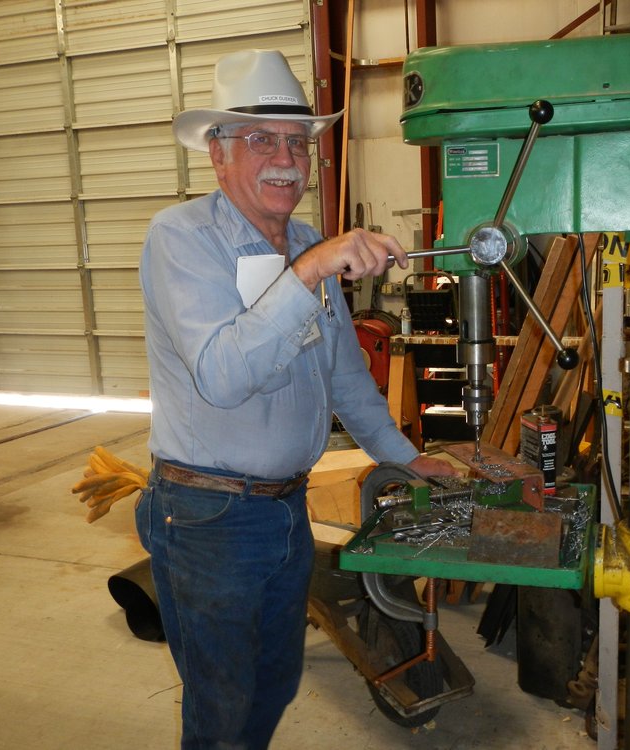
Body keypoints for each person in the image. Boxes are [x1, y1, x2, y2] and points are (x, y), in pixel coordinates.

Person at [136, 49, 457, 749]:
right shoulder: (181, 239)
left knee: (275, 683)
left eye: (297, 141)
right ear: (218, 154)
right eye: (260, 139)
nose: (285, 157)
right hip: (207, 515)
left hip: (286, 509)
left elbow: (344, 375)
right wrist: (309, 271)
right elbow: (221, 374)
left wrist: (406, 458)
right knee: (222, 708)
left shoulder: (309, 239)